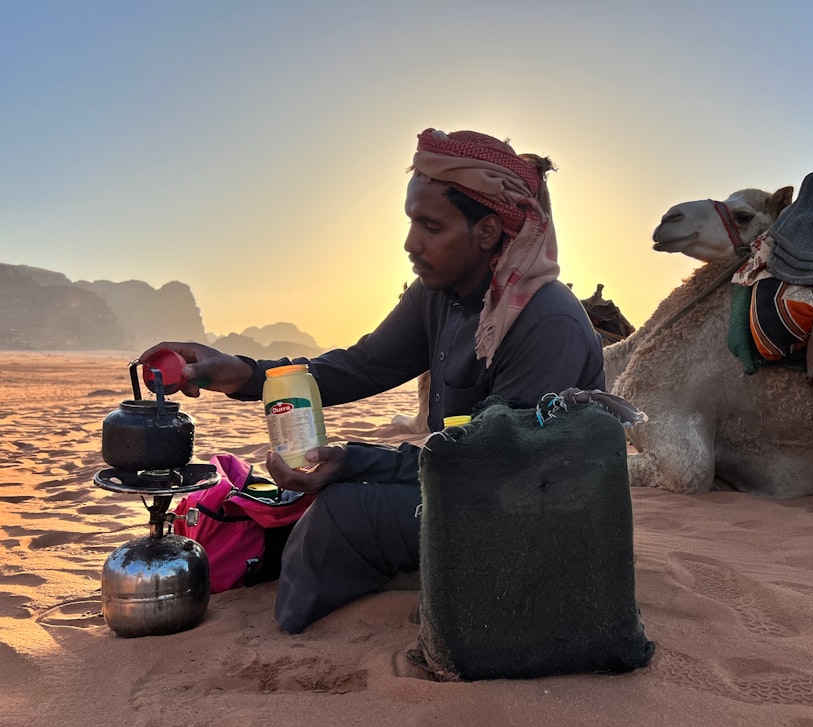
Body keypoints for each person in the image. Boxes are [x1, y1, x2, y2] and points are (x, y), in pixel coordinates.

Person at [142, 128, 605, 633]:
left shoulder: (545, 319)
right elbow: (364, 365)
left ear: (488, 231)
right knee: (307, 500)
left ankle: (290, 645)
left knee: (346, 510)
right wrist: (246, 373)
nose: (411, 243)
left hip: (534, 516)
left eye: (430, 226)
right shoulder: (440, 294)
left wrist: (352, 460)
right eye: (412, 222)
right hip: (464, 481)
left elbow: (494, 462)